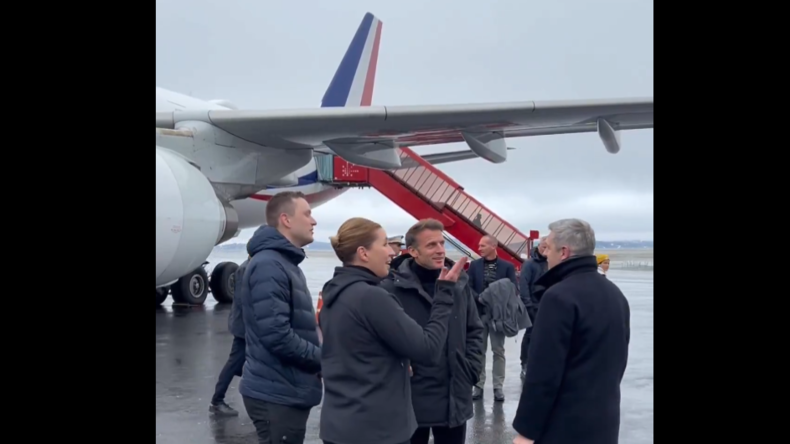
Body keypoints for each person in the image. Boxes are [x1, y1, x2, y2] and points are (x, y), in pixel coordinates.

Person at [318, 217, 467, 444]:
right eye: (385, 244)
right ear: (363, 253)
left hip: (340, 425)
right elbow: (427, 350)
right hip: (376, 430)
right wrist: (444, 294)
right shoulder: (371, 297)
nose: (391, 252)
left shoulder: (334, 293)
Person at [512, 219, 630, 444]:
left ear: (564, 252)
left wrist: (526, 432)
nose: (545, 255)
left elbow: (543, 372)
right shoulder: (616, 295)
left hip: (563, 427)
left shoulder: (558, 297)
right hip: (604, 422)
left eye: (549, 248)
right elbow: (618, 362)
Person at [381, 219, 484, 444]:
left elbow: (474, 329)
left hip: (453, 393)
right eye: (431, 245)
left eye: (441, 243)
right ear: (413, 252)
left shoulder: (459, 284)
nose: (439, 250)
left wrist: (471, 370)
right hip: (410, 396)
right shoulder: (390, 288)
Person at [238, 191, 322, 444]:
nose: (314, 221)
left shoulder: (283, 263)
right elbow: (277, 335)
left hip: (286, 388)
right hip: (276, 393)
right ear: (286, 220)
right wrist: (323, 359)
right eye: (307, 213)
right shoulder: (269, 265)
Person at [467, 234, 517, 402]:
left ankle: (498, 387)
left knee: (498, 351)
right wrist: (480, 298)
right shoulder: (474, 266)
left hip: (498, 316)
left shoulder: (507, 266)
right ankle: (478, 386)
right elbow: (468, 287)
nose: (479, 248)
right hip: (479, 313)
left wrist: (496, 300)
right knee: (478, 350)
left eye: (482, 245)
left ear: (493, 246)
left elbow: (512, 289)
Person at [209, 256, 250, 416]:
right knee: (233, 364)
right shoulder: (248, 269)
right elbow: (246, 301)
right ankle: (217, 401)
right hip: (244, 326)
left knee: (237, 363)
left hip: (242, 324)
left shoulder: (246, 266)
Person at [517, 238, 548, 383]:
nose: (545, 250)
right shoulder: (529, 264)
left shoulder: (552, 262)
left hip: (549, 305)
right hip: (533, 306)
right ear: (539, 246)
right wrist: (528, 305)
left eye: (548, 247)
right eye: (543, 246)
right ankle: (525, 363)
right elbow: (523, 285)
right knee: (530, 335)